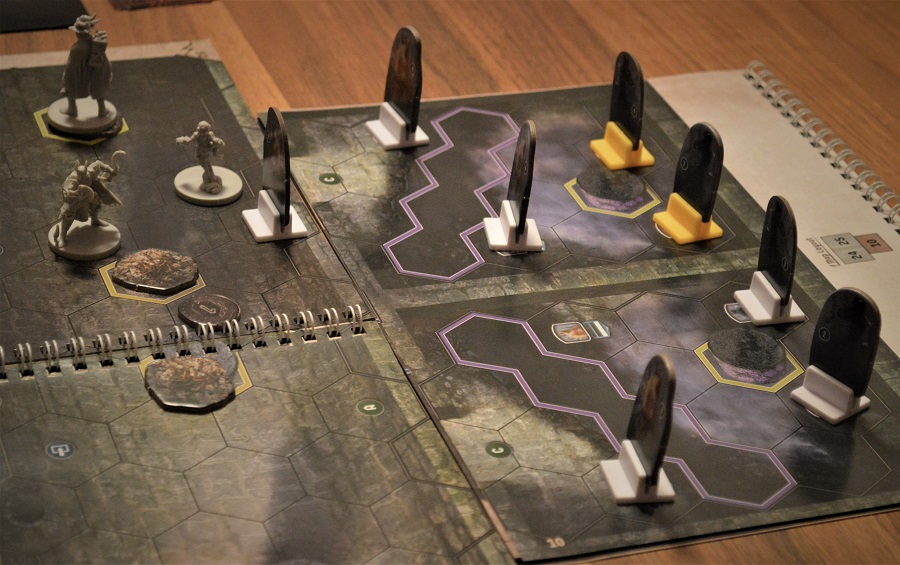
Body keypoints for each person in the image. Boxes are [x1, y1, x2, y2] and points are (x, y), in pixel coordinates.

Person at [55, 151, 125, 248]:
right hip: (76, 198)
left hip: (89, 193)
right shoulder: (73, 179)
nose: (83, 177)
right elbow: (66, 190)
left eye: (84, 175)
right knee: (69, 214)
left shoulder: (90, 171)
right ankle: (62, 236)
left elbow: (99, 164)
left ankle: (95, 220)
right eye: (81, 176)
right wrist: (72, 194)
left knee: (96, 203)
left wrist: (111, 170)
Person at [60, 15, 112, 118]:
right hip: (96, 72)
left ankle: (72, 109)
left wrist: (66, 78)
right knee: (99, 89)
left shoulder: (76, 48)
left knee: (70, 87)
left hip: (82, 73)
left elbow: (71, 67)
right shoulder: (95, 44)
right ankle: (102, 110)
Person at [177, 121, 226, 193]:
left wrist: (217, 143)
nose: (203, 132)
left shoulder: (205, 134)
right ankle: (212, 178)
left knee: (206, 166)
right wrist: (183, 141)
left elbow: (214, 141)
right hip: (201, 151)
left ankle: (211, 180)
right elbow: (189, 140)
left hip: (204, 151)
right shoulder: (198, 134)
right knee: (207, 165)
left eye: (204, 130)